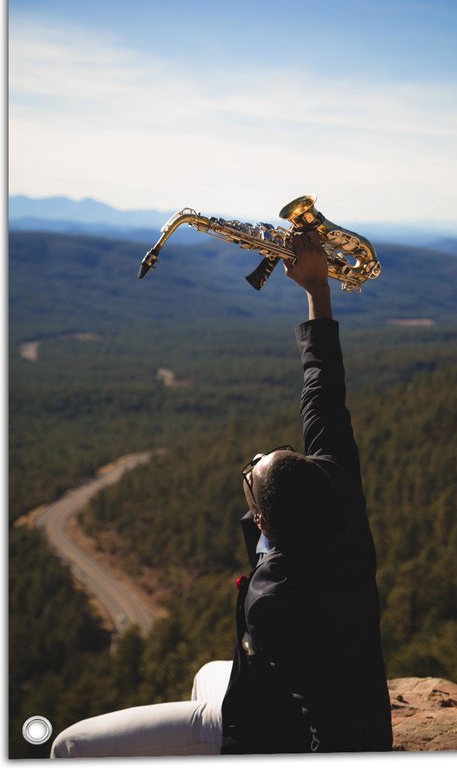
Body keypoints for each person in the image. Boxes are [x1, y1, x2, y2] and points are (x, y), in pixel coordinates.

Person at [50, 231, 392, 757]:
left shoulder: (278, 602)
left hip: (268, 732)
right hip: (319, 694)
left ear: (263, 525)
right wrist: (316, 289)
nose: (254, 461)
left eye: (252, 478)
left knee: (71, 746)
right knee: (209, 671)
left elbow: (335, 727)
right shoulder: (337, 484)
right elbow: (323, 381)